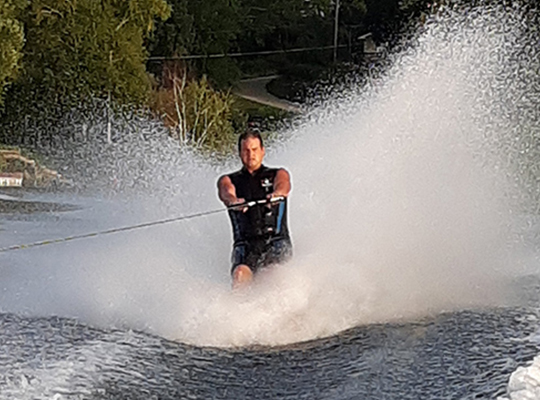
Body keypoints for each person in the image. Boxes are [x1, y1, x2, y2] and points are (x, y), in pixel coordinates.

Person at [217, 129, 292, 288]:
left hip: (276, 241)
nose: (250, 154)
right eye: (246, 150)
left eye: (254, 150)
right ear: (239, 153)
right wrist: (234, 201)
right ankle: (238, 310)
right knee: (240, 275)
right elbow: (226, 193)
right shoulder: (229, 180)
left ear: (262, 151)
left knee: (270, 274)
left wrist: (276, 194)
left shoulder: (278, 174)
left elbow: (284, 187)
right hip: (246, 245)